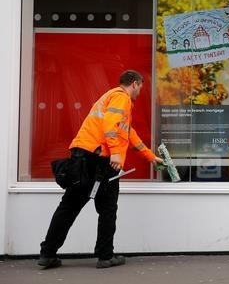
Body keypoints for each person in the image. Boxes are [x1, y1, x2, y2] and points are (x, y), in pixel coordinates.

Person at [38, 70, 164, 270]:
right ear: (133, 84)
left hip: (84, 156)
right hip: (101, 160)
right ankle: (105, 256)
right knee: (107, 209)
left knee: (69, 207)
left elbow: (129, 134)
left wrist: (150, 157)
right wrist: (115, 152)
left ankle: (47, 253)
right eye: (140, 86)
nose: (140, 91)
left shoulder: (109, 97)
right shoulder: (121, 98)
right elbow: (110, 125)